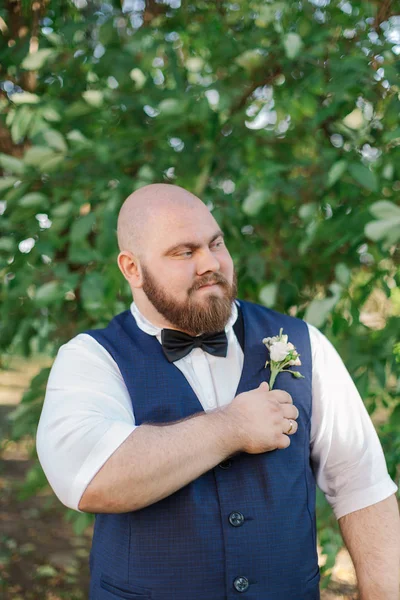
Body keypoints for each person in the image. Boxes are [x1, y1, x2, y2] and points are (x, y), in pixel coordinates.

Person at [36, 183, 399, 600]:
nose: (211, 263)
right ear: (132, 268)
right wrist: (233, 426)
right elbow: (91, 479)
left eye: (216, 243)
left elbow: (364, 489)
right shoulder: (92, 358)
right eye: (184, 252)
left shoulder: (304, 342)